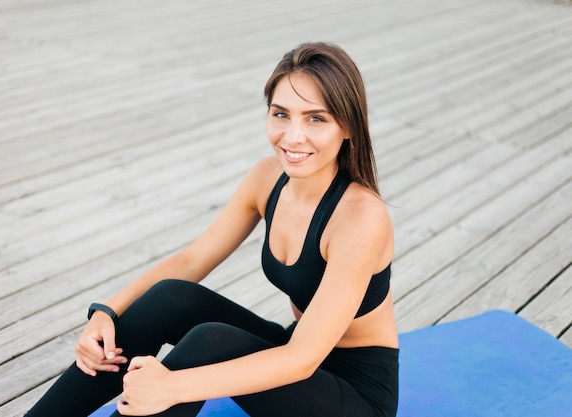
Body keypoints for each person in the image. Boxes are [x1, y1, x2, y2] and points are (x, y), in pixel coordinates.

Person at [25, 41, 399, 417]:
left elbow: (301, 359)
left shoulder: (360, 218)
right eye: (281, 114)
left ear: (348, 125)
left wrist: (172, 387)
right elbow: (192, 259)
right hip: (297, 351)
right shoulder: (267, 179)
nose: (292, 136)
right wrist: (105, 312)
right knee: (171, 297)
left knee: (208, 343)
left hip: (354, 396)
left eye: (316, 118)